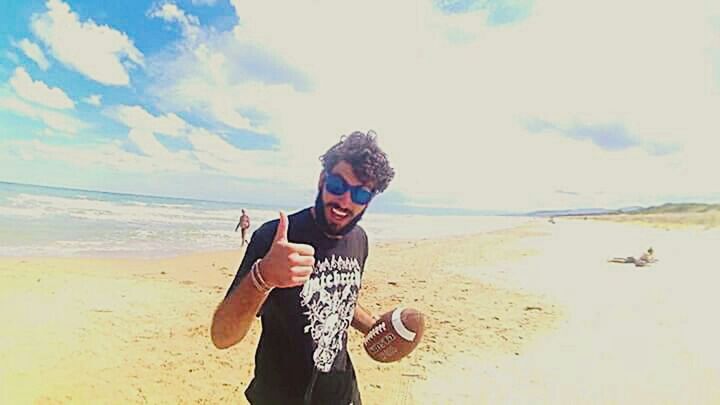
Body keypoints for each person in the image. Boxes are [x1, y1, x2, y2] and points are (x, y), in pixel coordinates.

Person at [211, 131, 395, 405]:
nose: (345, 201)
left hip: (343, 394)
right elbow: (222, 336)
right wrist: (263, 277)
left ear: (369, 200)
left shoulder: (359, 239)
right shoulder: (273, 238)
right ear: (322, 181)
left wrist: (373, 327)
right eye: (337, 185)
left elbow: (342, 297)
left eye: (359, 193)